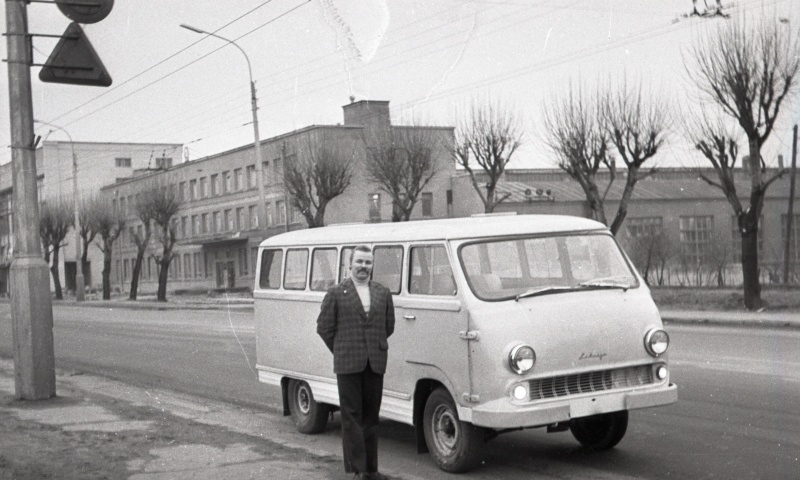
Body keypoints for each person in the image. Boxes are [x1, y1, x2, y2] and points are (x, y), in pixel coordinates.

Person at [317, 245, 395, 480]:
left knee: (372, 417)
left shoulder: (383, 292)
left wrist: (371, 347)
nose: (363, 266)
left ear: (372, 265)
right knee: (351, 418)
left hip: (375, 363)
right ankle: (358, 470)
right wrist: (342, 349)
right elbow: (324, 328)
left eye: (368, 262)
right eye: (359, 261)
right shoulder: (336, 293)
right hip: (348, 364)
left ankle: (371, 470)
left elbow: (388, 326)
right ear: (349, 264)